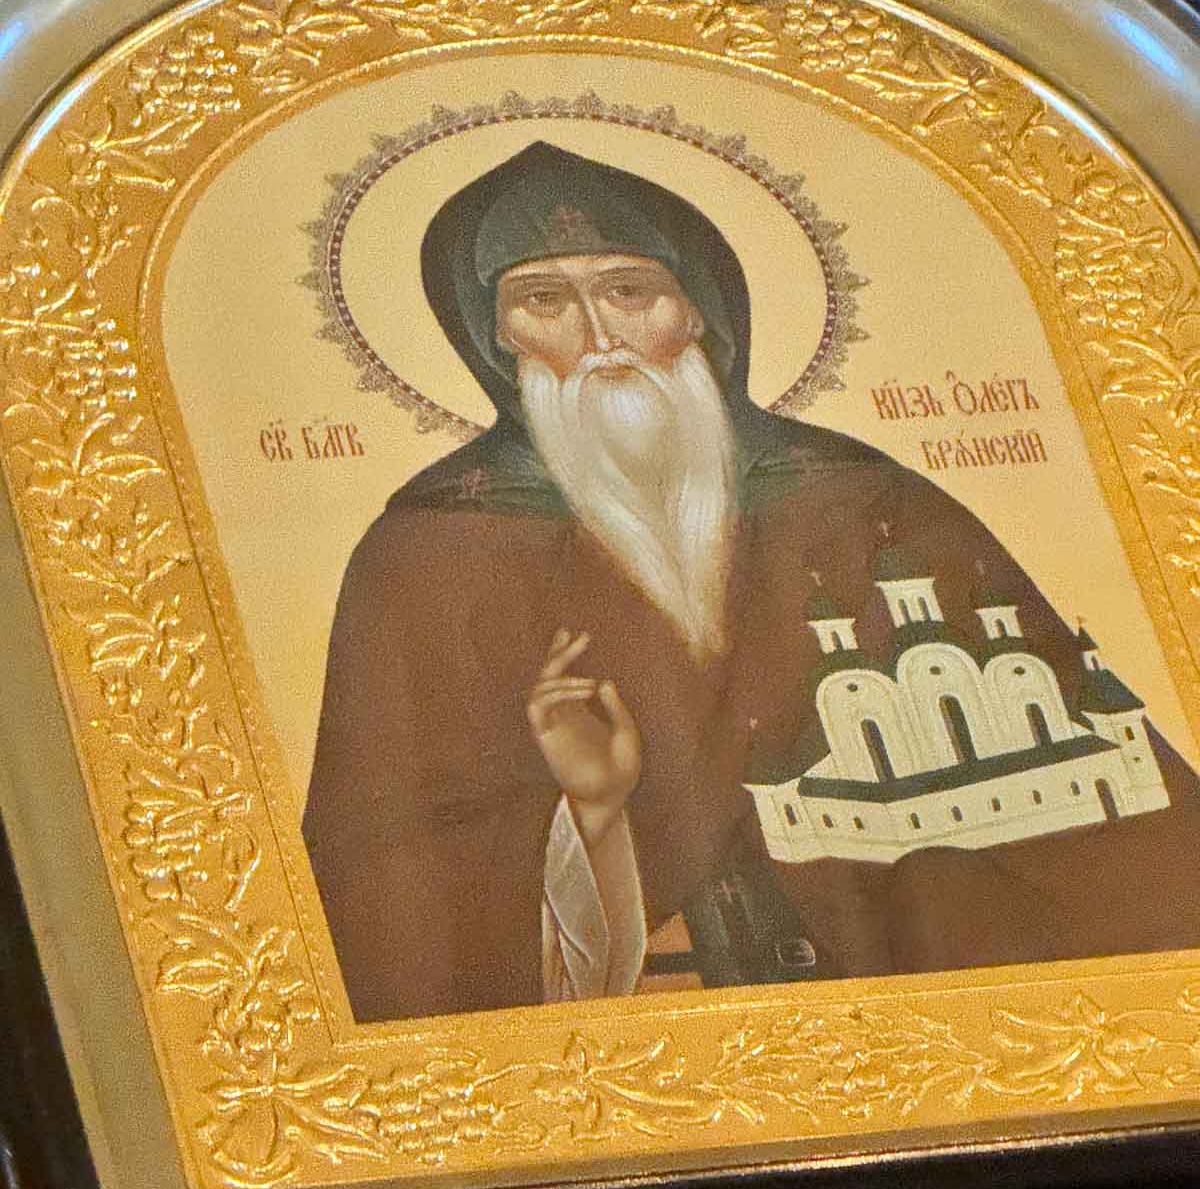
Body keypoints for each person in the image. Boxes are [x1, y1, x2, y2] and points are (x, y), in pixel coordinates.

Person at [302, 141, 1200, 1023]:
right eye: (545, 301)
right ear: (497, 336)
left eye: (629, 291)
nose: (600, 336)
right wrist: (591, 811)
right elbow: (390, 880)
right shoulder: (429, 554)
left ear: (696, 311)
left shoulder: (865, 502)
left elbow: (1108, 805)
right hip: (655, 1026)